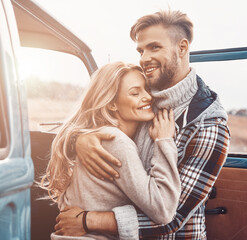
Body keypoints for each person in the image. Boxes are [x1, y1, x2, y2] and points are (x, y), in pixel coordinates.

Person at [55, 10, 230, 240]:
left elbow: (172, 215)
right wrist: (81, 139)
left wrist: (88, 220)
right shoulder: (144, 98)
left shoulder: (208, 125)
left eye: (154, 47)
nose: (144, 58)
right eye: (141, 50)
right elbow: (93, 116)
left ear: (182, 48)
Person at [43, 61, 182, 240]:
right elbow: (162, 208)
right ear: (112, 104)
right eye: (135, 93)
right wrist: (164, 141)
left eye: (146, 89)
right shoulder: (115, 141)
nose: (147, 96)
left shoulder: (98, 137)